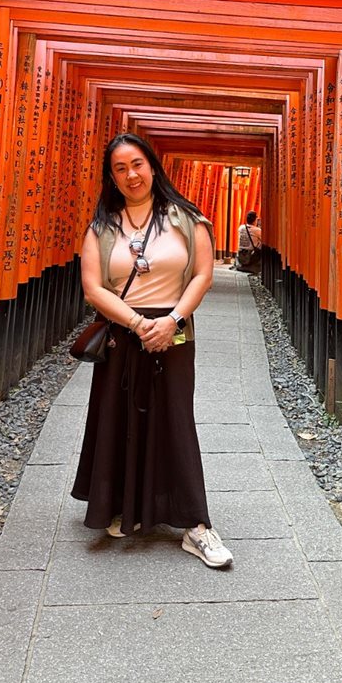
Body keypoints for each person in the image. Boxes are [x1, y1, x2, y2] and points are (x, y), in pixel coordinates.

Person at [71, 132, 233, 569]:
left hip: (174, 329)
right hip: (124, 331)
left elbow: (202, 274)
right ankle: (128, 506)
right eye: (120, 168)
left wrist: (171, 321)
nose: (131, 175)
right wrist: (139, 324)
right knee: (119, 417)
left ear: (153, 166)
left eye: (137, 164)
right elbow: (92, 287)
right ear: (112, 176)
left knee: (175, 418)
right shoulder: (103, 227)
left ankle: (196, 525)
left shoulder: (186, 218)